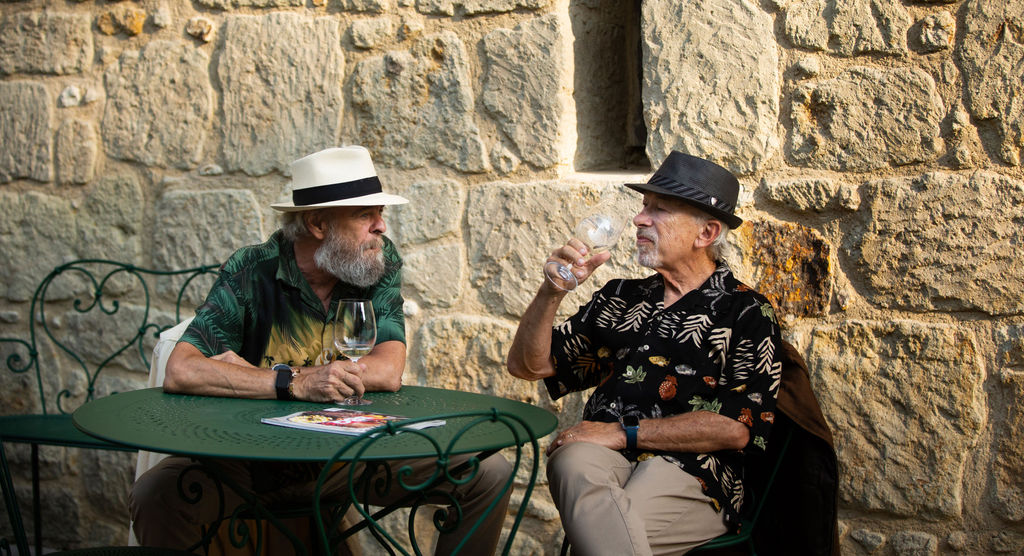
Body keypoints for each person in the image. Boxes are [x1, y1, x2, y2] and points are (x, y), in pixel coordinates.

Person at [130, 146, 513, 555]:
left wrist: (250, 375)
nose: (381, 226)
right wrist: (293, 382)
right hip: (250, 462)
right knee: (156, 493)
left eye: (380, 212)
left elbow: (387, 369)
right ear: (316, 223)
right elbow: (182, 370)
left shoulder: (376, 262)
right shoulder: (252, 270)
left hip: (352, 458)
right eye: (365, 215)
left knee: (488, 472)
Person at [507, 151, 783, 555]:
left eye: (659, 210)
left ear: (706, 233)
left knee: (604, 527)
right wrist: (552, 292)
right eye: (644, 206)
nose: (639, 219)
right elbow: (529, 366)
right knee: (570, 461)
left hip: (693, 471)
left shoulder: (746, 312)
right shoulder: (621, 297)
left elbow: (736, 427)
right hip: (603, 459)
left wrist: (621, 432)